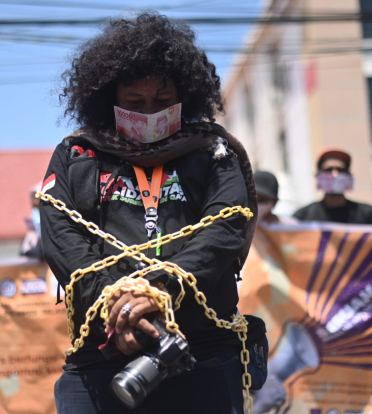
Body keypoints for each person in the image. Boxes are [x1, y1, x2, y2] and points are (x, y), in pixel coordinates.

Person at [40, 12, 259, 414]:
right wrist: (118, 307)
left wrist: (155, 292)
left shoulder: (214, 152)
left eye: (162, 102)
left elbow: (224, 231)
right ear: (110, 101)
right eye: (134, 103)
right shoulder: (76, 155)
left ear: (185, 97)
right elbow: (62, 242)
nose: (149, 112)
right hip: (100, 354)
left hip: (202, 349)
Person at [293, 149, 372, 224]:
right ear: (318, 176)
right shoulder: (302, 217)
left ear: (349, 175)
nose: (335, 174)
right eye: (328, 170)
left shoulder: (369, 214)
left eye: (341, 170)